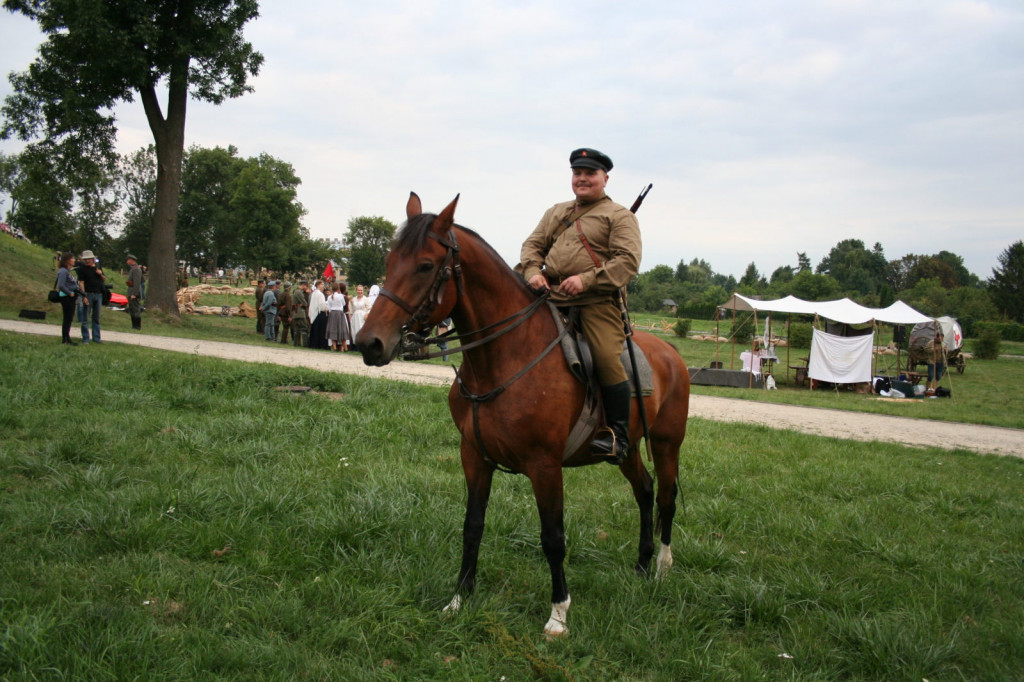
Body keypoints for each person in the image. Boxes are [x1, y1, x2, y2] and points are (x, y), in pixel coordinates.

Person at [517, 147, 641, 464]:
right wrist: (532, 272)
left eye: (590, 174)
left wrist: (585, 280)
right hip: (550, 296)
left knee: (603, 357)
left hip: (595, 301)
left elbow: (627, 262)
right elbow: (533, 245)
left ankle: (617, 434)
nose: (582, 179)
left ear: (605, 179)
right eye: (577, 173)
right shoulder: (557, 212)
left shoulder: (619, 216)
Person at [74, 249, 106, 344]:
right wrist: (84, 295)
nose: (87, 261)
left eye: (89, 259)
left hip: (98, 293)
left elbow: (104, 279)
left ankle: (96, 338)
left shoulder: (97, 267)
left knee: (96, 317)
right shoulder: (82, 269)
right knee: (85, 317)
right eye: (86, 259)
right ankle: (85, 338)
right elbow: (81, 282)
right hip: (88, 293)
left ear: (92, 259)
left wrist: (100, 274)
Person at [55, 251, 84, 345]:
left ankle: (67, 338)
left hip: (72, 297)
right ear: (67, 260)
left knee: (69, 318)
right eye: (72, 258)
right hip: (66, 297)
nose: (74, 260)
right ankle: (65, 339)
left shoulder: (68, 271)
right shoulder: (63, 271)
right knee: (67, 318)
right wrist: (69, 293)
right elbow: (61, 285)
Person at [326, 282, 351, 351]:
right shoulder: (340, 296)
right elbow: (343, 304)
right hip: (340, 313)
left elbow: (329, 306)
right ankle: (345, 347)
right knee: (342, 329)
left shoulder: (329, 297)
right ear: (338, 288)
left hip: (332, 313)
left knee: (333, 329)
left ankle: (334, 347)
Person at [307, 279, 329, 349]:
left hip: (315, 314)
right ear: (318, 285)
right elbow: (322, 305)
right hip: (320, 314)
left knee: (315, 330)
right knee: (321, 330)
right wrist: (327, 308)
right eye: (322, 285)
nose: (323, 286)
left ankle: (314, 344)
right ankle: (321, 344)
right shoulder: (320, 294)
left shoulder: (314, 293)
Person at [125, 254, 144, 330]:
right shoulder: (133, 268)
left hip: (134, 292)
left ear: (131, 260)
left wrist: (134, 294)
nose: (127, 261)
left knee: (136, 309)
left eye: (128, 260)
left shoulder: (136, 269)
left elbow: (137, 282)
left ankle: (137, 326)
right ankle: (134, 326)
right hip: (131, 291)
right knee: (132, 309)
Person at [926, 330, 946, 395]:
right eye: (939, 337)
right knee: (931, 375)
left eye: (942, 338)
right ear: (937, 337)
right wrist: (934, 349)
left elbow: (946, 352)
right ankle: (928, 388)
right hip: (932, 361)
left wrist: (945, 350)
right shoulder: (931, 343)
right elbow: (927, 350)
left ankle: (935, 388)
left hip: (940, 361)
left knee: (938, 376)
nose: (940, 339)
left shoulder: (943, 344)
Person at [291, 280, 310, 347]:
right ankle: (305, 344)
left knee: (296, 329)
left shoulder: (296, 291)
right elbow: (305, 303)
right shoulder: (299, 292)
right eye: (306, 286)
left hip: (296, 312)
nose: (306, 288)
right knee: (304, 328)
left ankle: (296, 344)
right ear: (303, 285)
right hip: (300, 312)